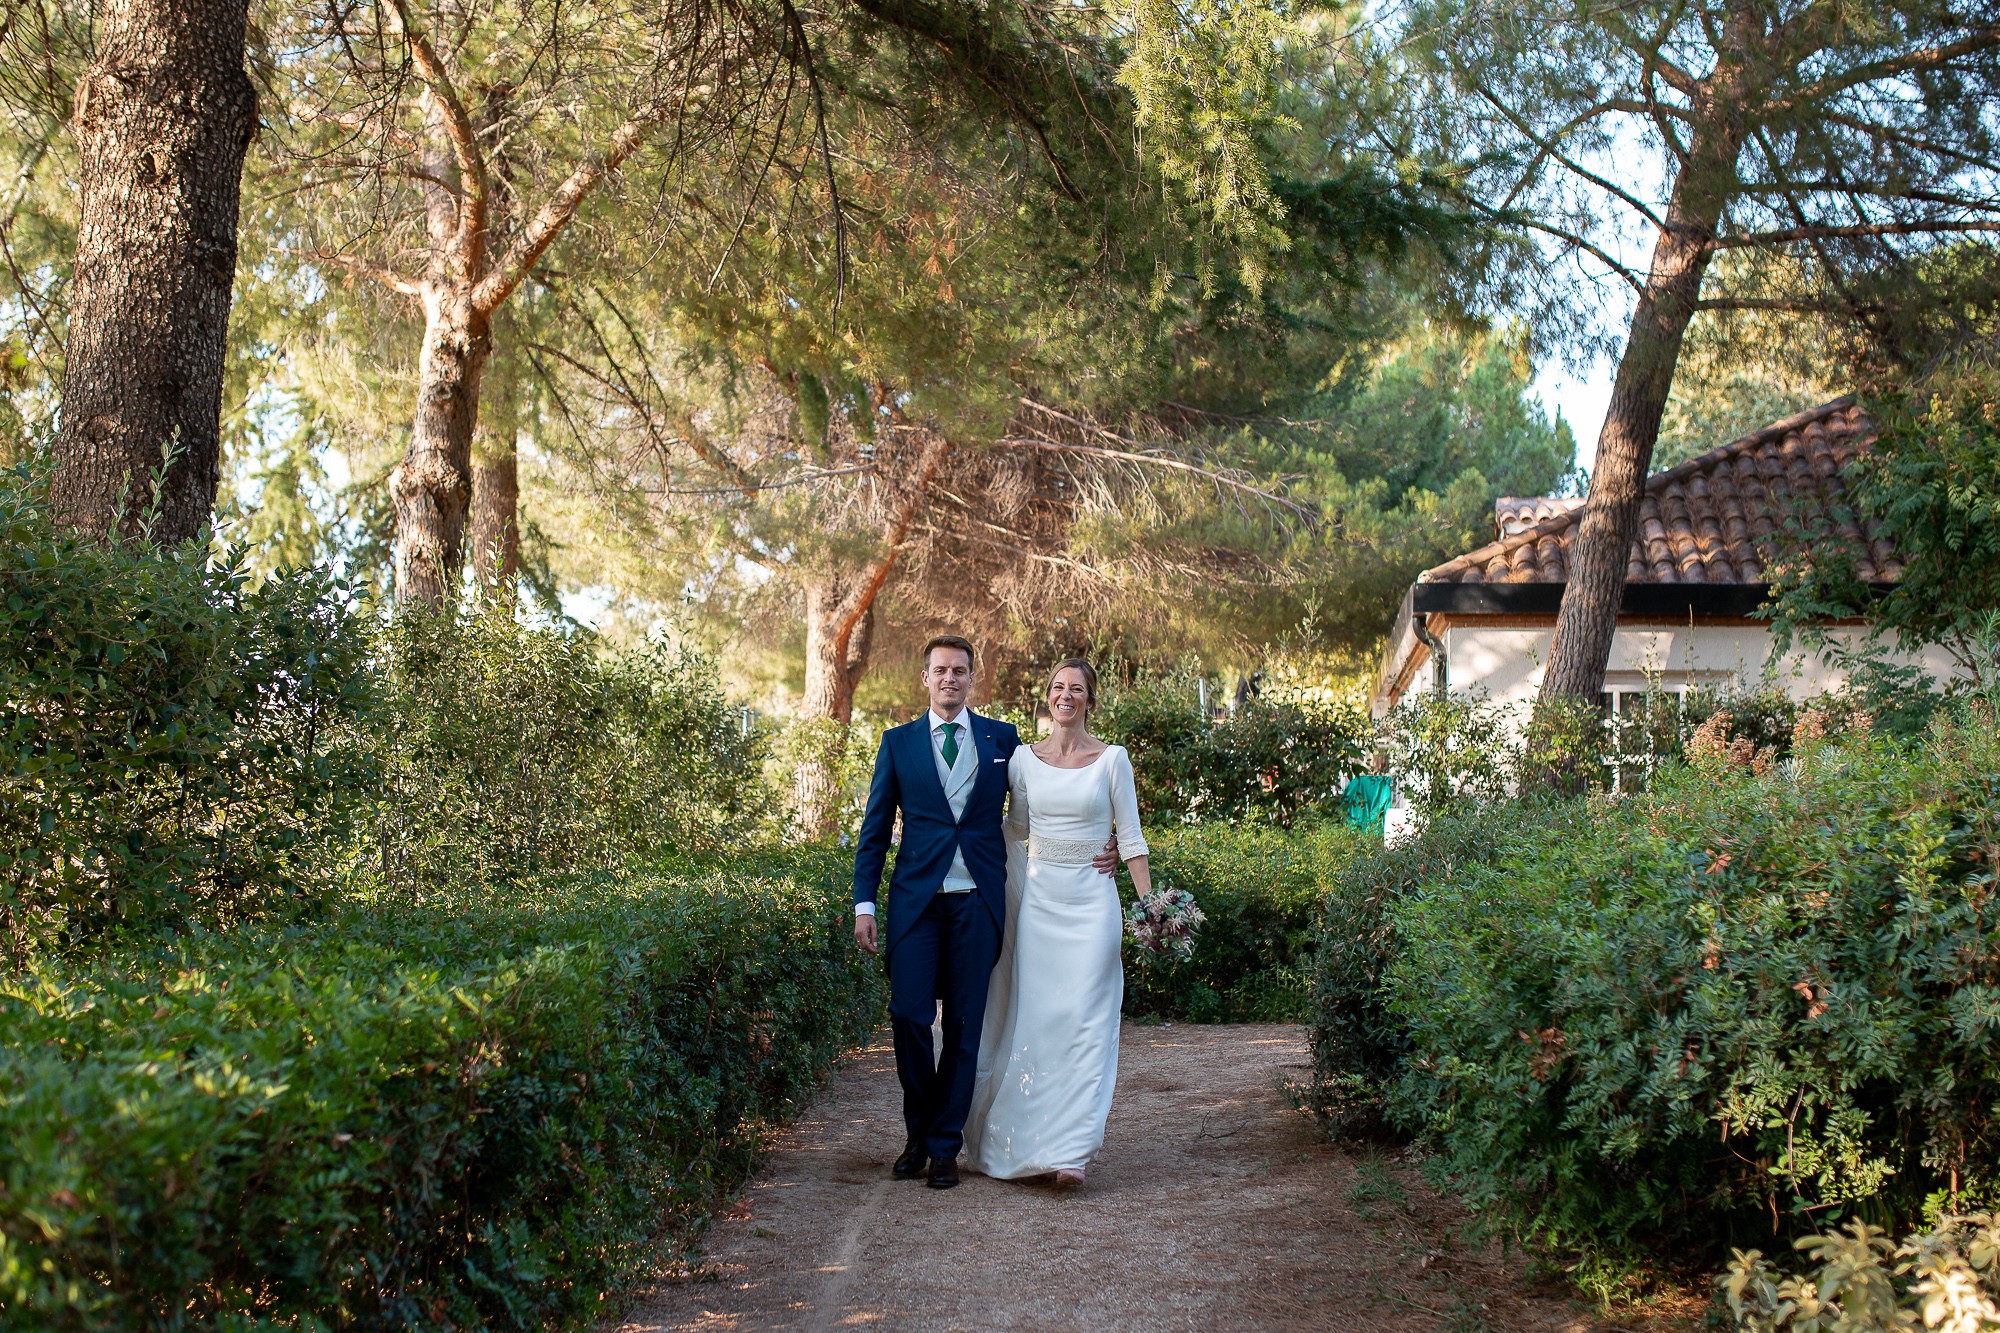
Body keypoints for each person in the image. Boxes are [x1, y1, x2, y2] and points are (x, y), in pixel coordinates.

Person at [851, 636, 1115, 1190]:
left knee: (966, 1026)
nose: (950, 679)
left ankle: (946, 1147)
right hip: (916, 905)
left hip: (978, 903)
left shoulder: (1004, 741)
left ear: (973, 678)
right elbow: (874, 831)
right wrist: (865, 902)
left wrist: (1101, 846)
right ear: (925, 678)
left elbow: (1034, 812)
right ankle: (918, 1132)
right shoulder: (897, 744)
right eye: (941, 671)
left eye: (960, 671)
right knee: (909, 1017)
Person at [963, 657, 1151, 1190]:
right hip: (1041, 907)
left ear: (1091, 699)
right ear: (1047, 697)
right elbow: (1016, 827)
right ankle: (1029, 1143)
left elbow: (1131, 838)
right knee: (1040, 1023)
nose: (1064, 696)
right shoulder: (1022, 760)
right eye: (1056, 687)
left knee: (1089, 1022)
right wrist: (955, 844)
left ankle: (1072, 1152)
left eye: (1076, 689)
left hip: (1093, 904)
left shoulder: (1113, 760)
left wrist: (1152, 907)